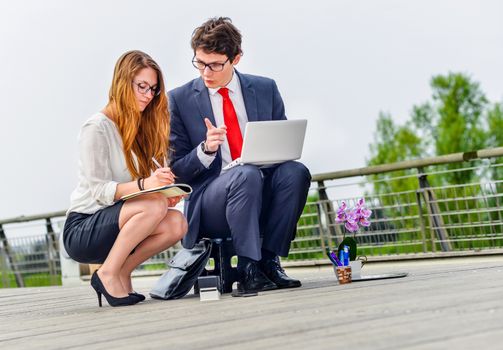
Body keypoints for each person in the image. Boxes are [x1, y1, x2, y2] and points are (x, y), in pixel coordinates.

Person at [168, 17, 311, 295]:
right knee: (244, 175)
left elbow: (281, 147)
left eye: (215, 64)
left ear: (236, 58)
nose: (206, 72)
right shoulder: (180, 99)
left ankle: (270, 260)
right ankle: (248, 268)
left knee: (296, 172)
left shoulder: (265, 88)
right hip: (212, 200)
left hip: (258, 187)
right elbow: (178, 171)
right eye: (199, 62)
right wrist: (205, 150)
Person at [63, 50, 187, 307]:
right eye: (141, 86)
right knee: (153, 204)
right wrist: (147, 186)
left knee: (177, 223)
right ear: (122, 82)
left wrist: (164, 191)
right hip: (84, 228)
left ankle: (119, 270)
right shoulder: (96, 128)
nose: (147, 95)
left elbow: (139, 195)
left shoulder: (142, 129)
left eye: (152, 89)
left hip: (120, 221)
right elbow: (98, 190)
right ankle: (107, 273)